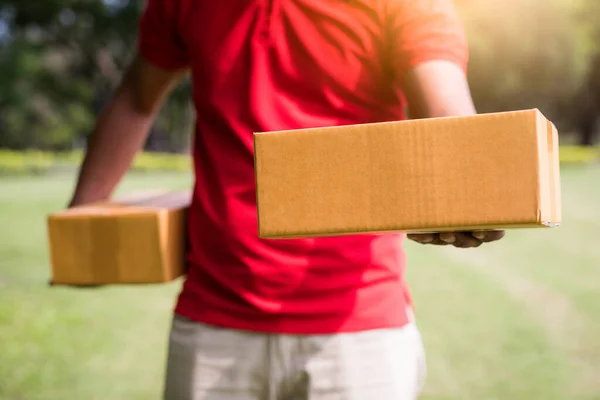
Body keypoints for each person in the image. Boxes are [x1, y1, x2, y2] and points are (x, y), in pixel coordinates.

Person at [68, 0, 504, 398]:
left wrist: (463, 190)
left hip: (357, 328)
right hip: (213, 317)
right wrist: (80, 231)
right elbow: (135, 98)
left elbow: (448, 113)